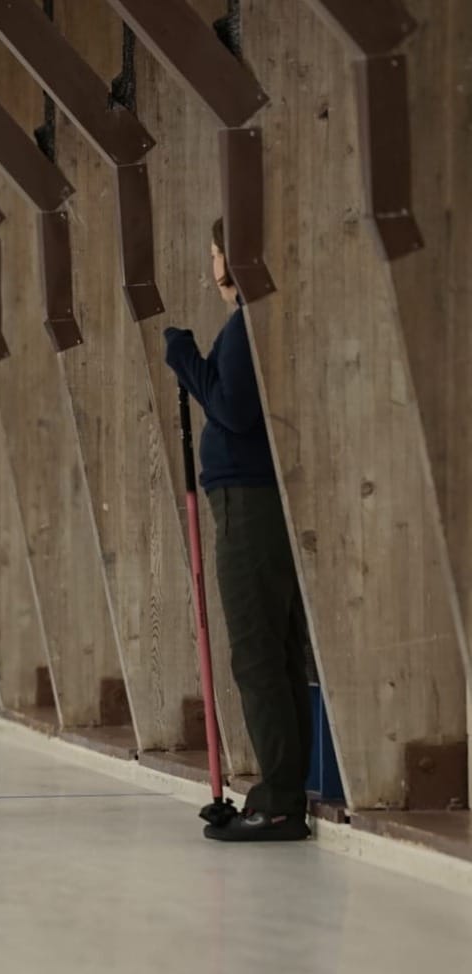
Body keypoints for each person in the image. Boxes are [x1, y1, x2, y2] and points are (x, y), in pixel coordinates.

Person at [164, 219, 312, 842]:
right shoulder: (250, 322)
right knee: (273, 654)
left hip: (249, 504)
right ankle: (281, 792)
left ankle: (279, 801)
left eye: (220, 253)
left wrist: (185, 361)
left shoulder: (246, 327)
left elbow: (232, 410)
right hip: (250, 498)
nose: (214, 266)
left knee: (257, 654)